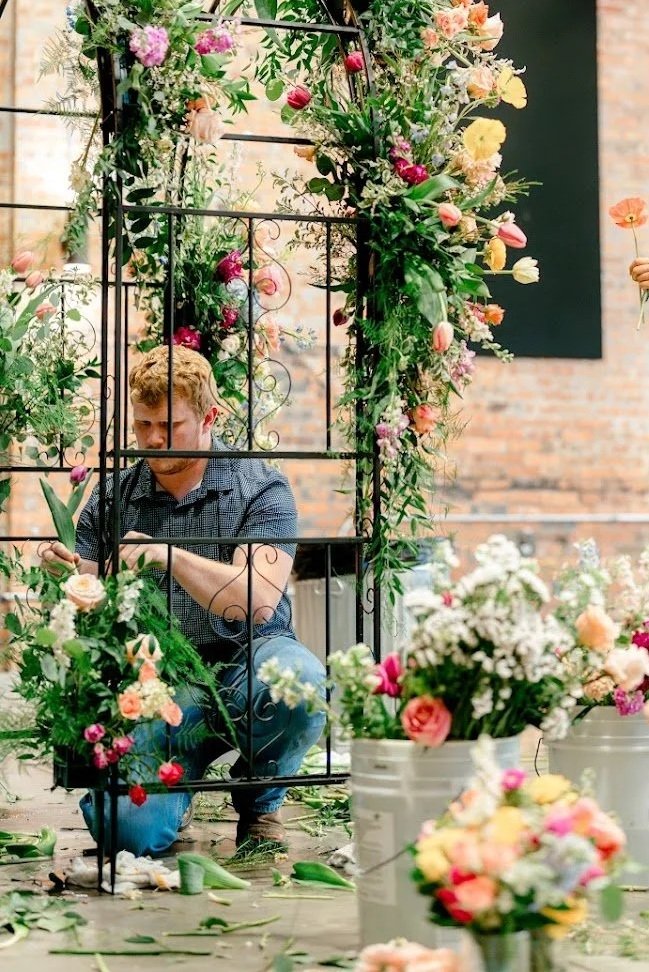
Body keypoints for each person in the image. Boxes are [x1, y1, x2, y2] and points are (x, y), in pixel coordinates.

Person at [41, 345, 326, 856]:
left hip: (249, 665)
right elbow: (97, 592)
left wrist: (167, 555)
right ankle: (180, 786)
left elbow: (258, 600)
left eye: (168, 426)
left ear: (209, 417)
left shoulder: (260, 487)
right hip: (160, 687)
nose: (152, 439)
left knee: (300, 684)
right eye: (142, 424)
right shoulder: (114, 497)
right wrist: (72, 574)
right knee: (126, 831)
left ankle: (259, 801)